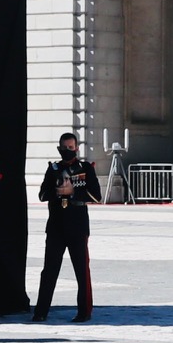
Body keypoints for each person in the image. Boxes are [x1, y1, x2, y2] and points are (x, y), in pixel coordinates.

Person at [32, 133, 103, 322]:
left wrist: (73, 192)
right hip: (56, 226)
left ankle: (84, 312)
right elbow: (42, 195)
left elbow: (96, 196)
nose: (67, 151)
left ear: (77, 148)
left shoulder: (85, 168)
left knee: (81, 270)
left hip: (77, 226)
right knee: (49, 270)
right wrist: (57, 191)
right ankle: (40, 312)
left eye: (71, 147)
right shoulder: (53, 168)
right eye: (64, 148)